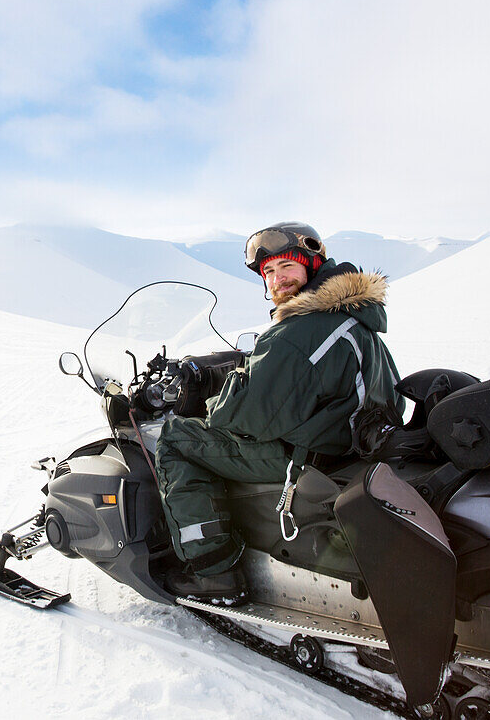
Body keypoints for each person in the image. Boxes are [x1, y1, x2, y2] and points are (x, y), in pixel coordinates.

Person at [156, 221, 403, 603]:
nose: (276, 279)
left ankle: (213, 569)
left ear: (313, 266)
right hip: (345, 448)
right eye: (268, 272)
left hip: (300, 457)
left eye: (286, 267)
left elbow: (237, 417)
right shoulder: (356, 319)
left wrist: (212, 398)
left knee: (176, 437)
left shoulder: (303, 329)